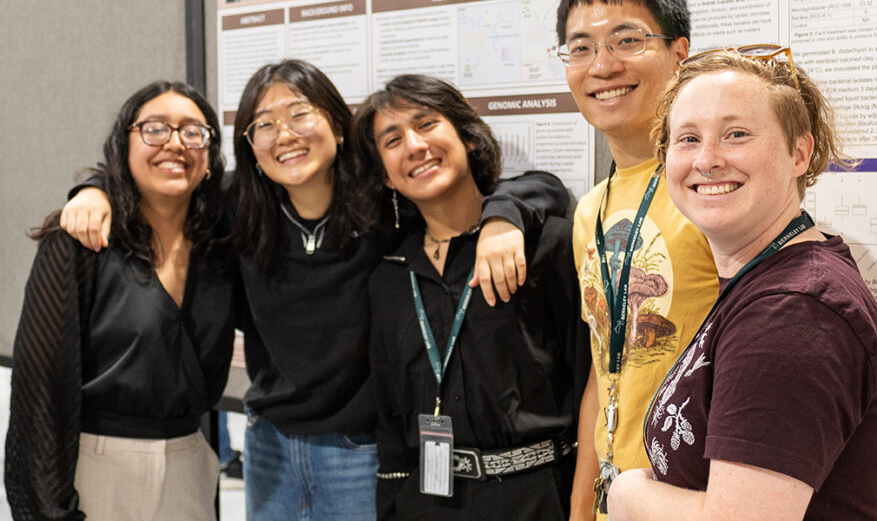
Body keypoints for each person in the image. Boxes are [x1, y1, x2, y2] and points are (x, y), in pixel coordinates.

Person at [59, 60, 568, 520]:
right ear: (251, 150)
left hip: (361, 448)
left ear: (337, 127)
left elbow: (537, 186)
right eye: (264, 124)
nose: (285, 135)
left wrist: (505, 217)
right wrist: (95, 188)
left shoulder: (383, 205)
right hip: (269, 445)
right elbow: (162, 181)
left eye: (300, 113)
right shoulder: (238, 208)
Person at [607, 50, 877, 519]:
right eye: (688, 139)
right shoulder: (767, 281)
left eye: (736, 134)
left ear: (800, 152)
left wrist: (627, 494)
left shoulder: (793, 312)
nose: (707, 160)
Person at [351, 74, 590, 520]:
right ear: (384, 175)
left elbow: (588, 385)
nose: (415, 146)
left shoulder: (546, 246)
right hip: (428, 501)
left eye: (426, 124)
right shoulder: (389, 276)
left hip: (539, 496)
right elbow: (391, 419)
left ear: (469, 138)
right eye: (392, 139)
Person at [5, 81, 239, 520]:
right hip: (98, 467)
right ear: (122, 145)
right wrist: (47, 509)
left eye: (193, 132)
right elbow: (39, 392)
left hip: (190, 463)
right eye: (154, 129)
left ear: (210, 159)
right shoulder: (79, 242)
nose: (174, 143)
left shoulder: (222, 243)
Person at [556, 0, 719, 517]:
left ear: (680, 54)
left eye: (628, 39)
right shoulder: (589, 211)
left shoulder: (713, 187)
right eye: (581, 48)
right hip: (616, 501)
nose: (603, 65)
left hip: (694, 499)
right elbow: (606, 370)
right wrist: (582, 506)